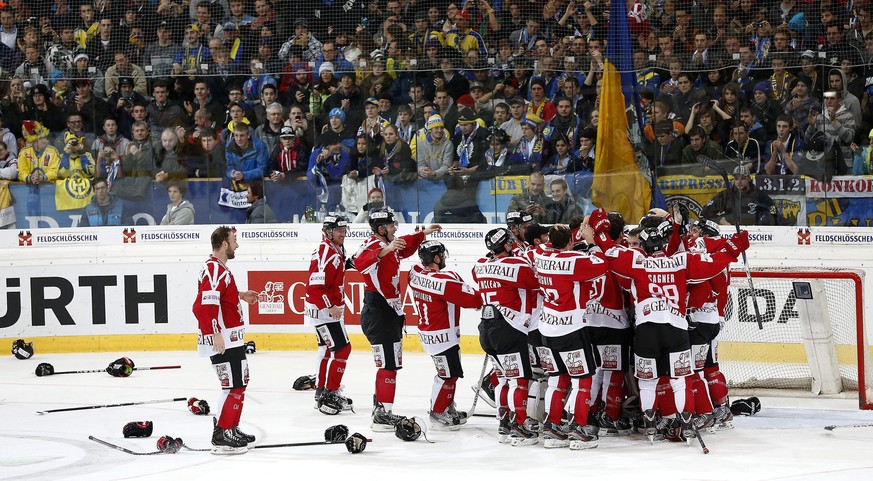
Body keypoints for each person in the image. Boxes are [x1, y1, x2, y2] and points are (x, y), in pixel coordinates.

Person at [587, 208, 749, 443]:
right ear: (663, 244)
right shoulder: (680, 262)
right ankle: (685, 421)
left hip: (646, 330)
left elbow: (609, 249)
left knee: (648, 379)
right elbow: (713, 263)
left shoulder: (636, 261)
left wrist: (599, 226)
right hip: (675, 329)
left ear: (643, 245)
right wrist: (735, 247)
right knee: (679, 379)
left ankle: (651, 423)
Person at [353, 208, 441, 431]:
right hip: (378, 312)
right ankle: (383, 414)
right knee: (388, 364)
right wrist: (386, 250)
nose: (395, 230)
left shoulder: (390, 246)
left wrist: (424, 234)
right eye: (392, 226)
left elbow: (405, 244)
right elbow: (359, 261)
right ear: (381, 229)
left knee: (390, 363)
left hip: (388, 313)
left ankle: (381, 408)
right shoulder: (373, 245)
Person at [532, 224, 609, 450]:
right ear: (569, 243)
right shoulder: (574, 260)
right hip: (571, 328)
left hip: (546, 329)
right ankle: (579, 428)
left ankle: (552, 427)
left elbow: (550, 246)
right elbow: (601, 265)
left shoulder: (541, 256)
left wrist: (570, 239)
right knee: (582, 379)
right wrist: (592, 242)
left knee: (557, 378)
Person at [191, 226, 259, 454]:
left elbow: (219, 296)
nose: (237, 245)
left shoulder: (218, 269)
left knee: (239, 382)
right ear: (223, 244)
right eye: (234, 241)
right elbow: (205, 303)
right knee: (233, 385)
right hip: (224, 339)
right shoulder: (213, 269)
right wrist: (215, 333)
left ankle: (231, 427)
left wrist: (239, 295)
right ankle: (222, 434)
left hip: (230, 337)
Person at [473, 227, 540, 445]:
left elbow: (480, 270)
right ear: (507, 245)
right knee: (518, 381)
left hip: (487, 329)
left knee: (502, 379)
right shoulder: (518, 265)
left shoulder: (480, 266)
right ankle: (519, 426)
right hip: (510, 328)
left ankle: (504, 422)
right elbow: (536, 282)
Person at [409, 240, 483, 429]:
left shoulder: (415, 273)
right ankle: (438, 410)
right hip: (442, 336)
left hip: (430, 333)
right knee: (448, 375)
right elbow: (473, 299)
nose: (444, 258)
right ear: (436, 257)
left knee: (448, 373)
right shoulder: (443, 281)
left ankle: (446, 405)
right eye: (441, 254)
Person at [304, 215, 354, 415]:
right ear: (327, 232)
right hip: (323, 311)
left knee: (326, 349)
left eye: (344, 230)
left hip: (320, 309)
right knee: (342, 349)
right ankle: (330, 392)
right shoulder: (327, 252)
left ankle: (323, 390)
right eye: (338, 230)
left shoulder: (335, 248)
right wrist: (330, 305)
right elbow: (315, 286)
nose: (342, 234)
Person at [700, 165, 777, 226]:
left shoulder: (758, 194)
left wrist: (761, 222)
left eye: (743, 178)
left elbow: (773, 211)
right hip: (732, 232)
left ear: (749, 178)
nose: (739, 182)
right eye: (736, 179)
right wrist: (721, 221)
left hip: (755, 232)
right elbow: (704, 213)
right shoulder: (726, 194)